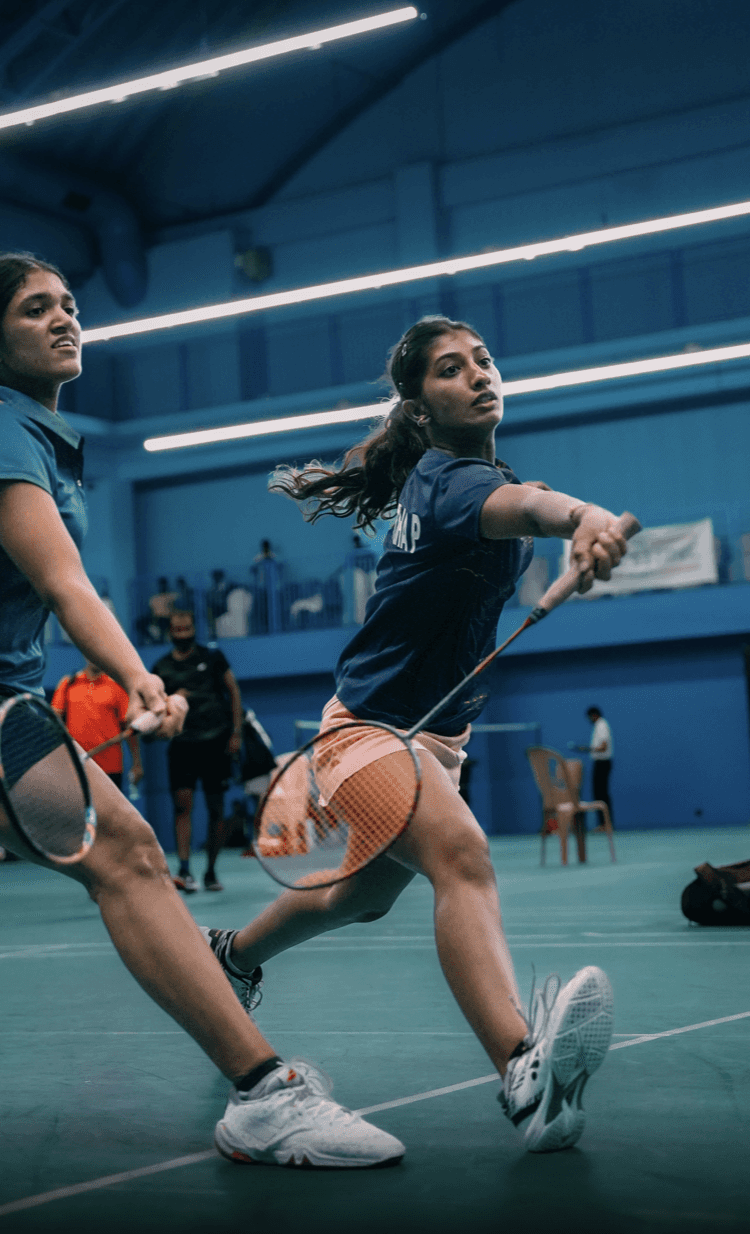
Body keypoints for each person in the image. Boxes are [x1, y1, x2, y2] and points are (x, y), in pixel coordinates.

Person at [0, 252, 403, 1170]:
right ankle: (264, 1094)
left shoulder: (0, 431)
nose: (64, 320)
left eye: (67, 305)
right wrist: (139, 676)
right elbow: (62, 583)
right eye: (33, 311)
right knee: (130, 853)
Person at [200, 314, 629, 1154]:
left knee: (360, 894)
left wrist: (572, 535)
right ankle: (521, 1070)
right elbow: (533, 506)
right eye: (449, 369)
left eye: (483, 360)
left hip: (433, 741)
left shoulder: (467, 480)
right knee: (461, 859)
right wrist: (584, 515)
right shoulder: (451, 483)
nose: (477, 375)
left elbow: (517, 511)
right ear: (420, 409)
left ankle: (231, 957)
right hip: (367, 735)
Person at [153, 609, 244, 893]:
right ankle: (183, 870)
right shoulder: (161, 668)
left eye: (187, 628)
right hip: (182, 746)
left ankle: (211, 871)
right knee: (183, 806)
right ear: (170, 633)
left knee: (216, 810)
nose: (183, 634)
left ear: (194, 629)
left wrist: (236, 731)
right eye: (177, 630)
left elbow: (234, 691)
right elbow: (155, 708)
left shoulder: (213, 658)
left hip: (216, 742)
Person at [51, 661, 143, 791]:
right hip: (77, 766)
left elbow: (129, 728)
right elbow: (54, 719)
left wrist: (137, 763)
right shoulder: (68, 683)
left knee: (109, 811)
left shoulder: (116, 686)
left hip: (110, 767)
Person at [576, 705, 613, 829]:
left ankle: (605, 823)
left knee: (601, 794)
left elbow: (603, 747)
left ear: (594, 715)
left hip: (602, 763)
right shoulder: (600, 725)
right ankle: (604, 823)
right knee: (599, 794)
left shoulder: (602, 725)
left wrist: (586, 748)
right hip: (600, 762)